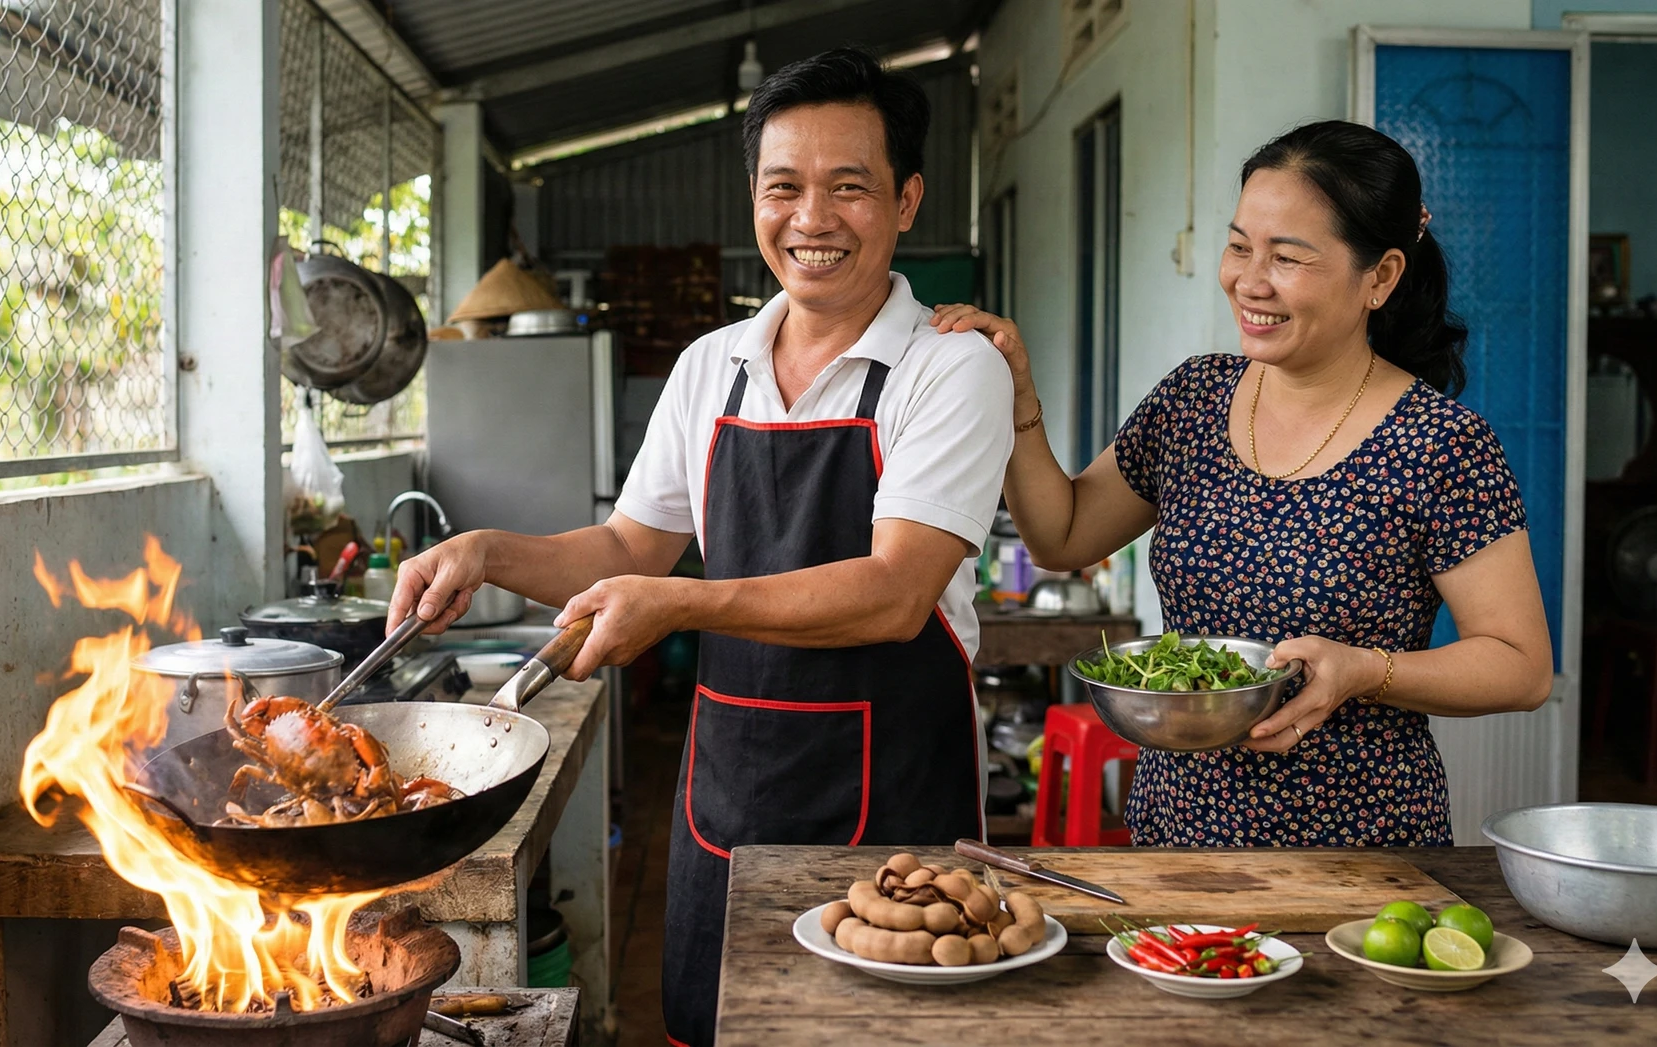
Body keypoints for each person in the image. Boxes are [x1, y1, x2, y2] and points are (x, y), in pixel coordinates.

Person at [388, 49, 1013, 1045]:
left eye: (849, 187)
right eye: (784, 187)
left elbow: (897, 592)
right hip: (733, 793)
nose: (811, 218)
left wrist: (679, 602)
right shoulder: (710, 366)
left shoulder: (950, 367)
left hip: (897, 809)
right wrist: (487, 551)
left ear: (907, 201)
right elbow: (629, 544)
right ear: (753, 199)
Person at [930, 120, 1553, 847]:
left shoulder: (1440, 444)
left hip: (1360, 854)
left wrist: (1364, 670)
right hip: (1177, 836)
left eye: (1287, 257)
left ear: (1380, 278)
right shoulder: (1194, 398)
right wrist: (1017, 396)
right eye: (1238, 247)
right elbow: (1062, 535)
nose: (1249, 282)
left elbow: (1521, 667)